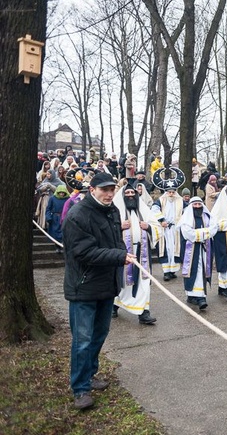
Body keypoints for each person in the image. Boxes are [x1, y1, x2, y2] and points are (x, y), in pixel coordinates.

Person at [62, 172, 136, 410]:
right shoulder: (77, 216)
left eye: (112, 189)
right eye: (104, 190)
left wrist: (123, 251)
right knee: (82, 340)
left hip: (106, 285)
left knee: (99, 334)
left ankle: (90, 374)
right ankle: (80, 388)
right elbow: (83, 253)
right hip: (83, 286)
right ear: (92, 190)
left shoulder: (112, 211)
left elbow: (116, 241)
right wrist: (119, 256)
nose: (109, 194)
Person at [111, 183, 162, 324]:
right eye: (126, 194)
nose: (130, 196)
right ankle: (115, 306)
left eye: (132, 193)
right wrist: (119, 227)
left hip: (142, 252)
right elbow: (106, 231)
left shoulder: (144, 210)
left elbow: (158, 227)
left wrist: (149, 227)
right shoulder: (115, 211)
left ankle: (143, 313)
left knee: (144, 282)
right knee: (122, 281)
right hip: (123, 253)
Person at [178, 197, 219, 310]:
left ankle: (200, 296)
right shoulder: (186, 218)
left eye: (199, 204)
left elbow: (214, 228)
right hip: (190, 250)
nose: (197, 207)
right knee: (193, 270)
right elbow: (188, 233)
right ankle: (196, 296)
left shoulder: (207, 216)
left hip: (205, 249)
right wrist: (205, 233)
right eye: (194, 205)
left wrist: (201, 234)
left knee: (202, 271)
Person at [151, 187, 183, 281]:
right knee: (165, 249)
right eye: (169, 192)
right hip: (164, 228)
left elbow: (187, 211)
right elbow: (154, 209)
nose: (171, 194)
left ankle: (172, 271)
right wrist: (161, 220)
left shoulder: (180, 201)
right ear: (166, 193)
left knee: (174, 249)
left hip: (176, 229)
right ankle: (166, 272)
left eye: (173, 192)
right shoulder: (161, 201)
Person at [46, 185, 69, 253]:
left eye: (63, 192)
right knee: (55, 233)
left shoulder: (68, 199)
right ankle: (57, 246)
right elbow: (48, 209)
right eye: (60, 192)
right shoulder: (52, 198)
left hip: (64, 217)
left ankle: (62, 246)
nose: (61, 194)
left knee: (63, 232)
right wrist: (48, 217)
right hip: (55, 218)